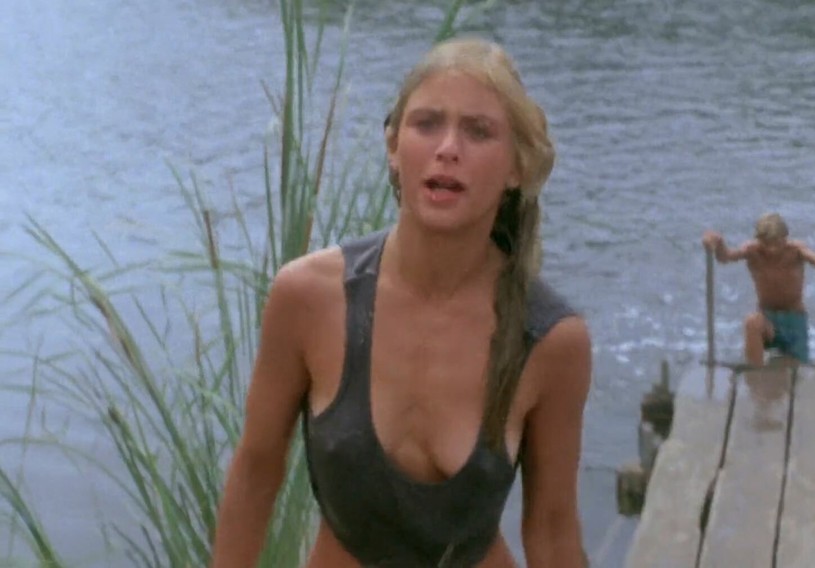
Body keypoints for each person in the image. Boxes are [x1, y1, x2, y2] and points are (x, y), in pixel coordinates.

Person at [211, 37, 592, 568]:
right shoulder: (309, 297)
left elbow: (551, 531)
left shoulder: (550, 339)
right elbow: (255, 472)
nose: (448, 148)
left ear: (517, 167)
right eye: (427, 124)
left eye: (478, 131)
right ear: (394, 147)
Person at [701, 212, 815, 367]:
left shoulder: (796, 250)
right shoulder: (752, 251)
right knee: (752, 322)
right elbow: (725, 257)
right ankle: (755, 374)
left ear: (785, 238)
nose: (772, 249)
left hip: (794, 321)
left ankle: (789, 361)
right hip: (767, 320)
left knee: (796, 371)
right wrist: (718, 242)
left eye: (777, 243)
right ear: (759, 240)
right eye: (766, 243)